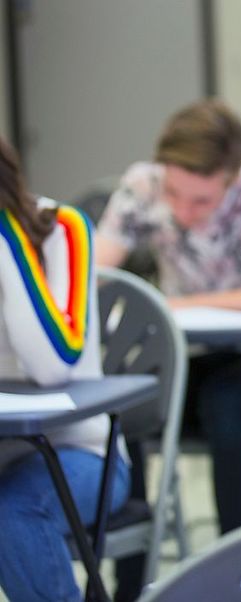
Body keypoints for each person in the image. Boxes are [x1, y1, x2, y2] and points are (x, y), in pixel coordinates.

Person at [95, 99, 241, 537]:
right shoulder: (141, 185)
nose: (184, 213)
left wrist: (194, 306)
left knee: (229, 400)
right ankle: (127, 574)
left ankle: (238, 558)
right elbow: (90, 278)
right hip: (187, 359)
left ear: (232, 178)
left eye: (201, 201)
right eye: (173, 195)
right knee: (122, 395)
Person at [0, 138, 130, 602]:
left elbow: (56, 365)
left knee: (11, 510)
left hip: (80, 453)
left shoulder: (61, 229)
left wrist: (7, 239)